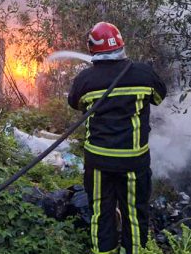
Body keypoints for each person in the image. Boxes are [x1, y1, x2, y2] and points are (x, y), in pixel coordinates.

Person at [68, 22, 167, 254]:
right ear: (121, 44)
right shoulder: (144, 74)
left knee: (101, 212)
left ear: (92, 48)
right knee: (135, 213)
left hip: (98, 160)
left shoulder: (85, 80)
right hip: (133, 160)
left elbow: (76, 103)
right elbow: (159, 97)